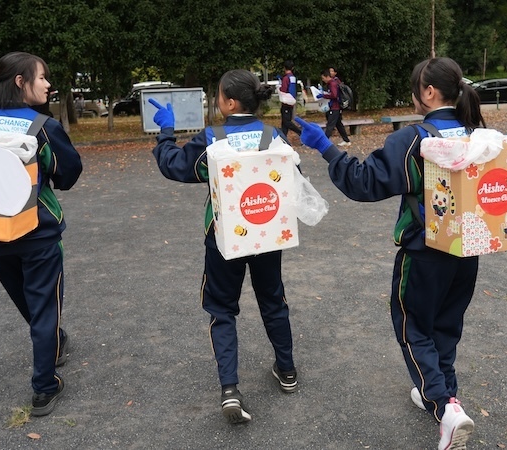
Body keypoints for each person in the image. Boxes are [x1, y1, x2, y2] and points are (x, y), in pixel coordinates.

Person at [294, 57, 483, 450]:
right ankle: (446, 395)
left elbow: (364, 182)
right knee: (446, 326)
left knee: (413, 327)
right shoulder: (477, 135)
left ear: (428, 92)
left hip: (424, 252)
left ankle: (446, 409)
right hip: (468, 251)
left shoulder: (414, 139)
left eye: (416, 88)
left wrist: (325, 147)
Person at [150, 69, 298, 424]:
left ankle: (230, 389)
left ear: (230, 103)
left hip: (224, 235)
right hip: (265, 233)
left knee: (221, 307)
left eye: (218, 97)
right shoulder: (272, 135)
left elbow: (177, 167)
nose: (217, 103)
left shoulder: (212, 138)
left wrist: (165, 133)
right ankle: (287, 370)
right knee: (272, 300)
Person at [0, 51, 83, 416]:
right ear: (21, 82)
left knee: (28, 301)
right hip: (38, 234)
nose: (48, 84)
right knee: (43, 306)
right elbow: (68, 173)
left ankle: (56, 340)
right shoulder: (41, 127)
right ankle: (44, 388)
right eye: (42, 78)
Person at [318, 69, 351, 146]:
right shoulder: (333, 83)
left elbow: (334, 95)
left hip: (334, 108)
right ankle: (346, 140)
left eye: (323, 78)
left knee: (330, 125)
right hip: (336, 107)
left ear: (327, 77)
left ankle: (324, 142)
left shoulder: (332, 84)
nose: (323, 80)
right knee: (339, 124)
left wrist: (324, 95)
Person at [279, 60, 302, 137]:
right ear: (292, 68)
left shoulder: (285, 78)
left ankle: (300, 132)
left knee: (286, 122)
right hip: (291, 101)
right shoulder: (293, 77)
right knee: (285, 123)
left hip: (285, 101)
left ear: (284, 68)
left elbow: (284, 90)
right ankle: (283, 138)